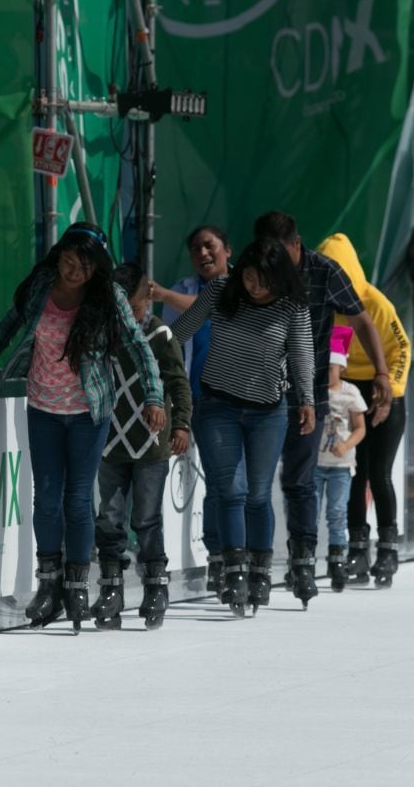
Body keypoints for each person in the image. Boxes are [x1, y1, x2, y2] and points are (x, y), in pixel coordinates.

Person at [0, 223, 164, 632]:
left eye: (83, 265)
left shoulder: (108, 297)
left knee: (78, 499)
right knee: (45, 497)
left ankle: (77, 584)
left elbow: (138, 346)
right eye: (67, 261)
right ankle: (50, 585)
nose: (73, 271)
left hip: (87, 411)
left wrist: (154, 396)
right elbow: (12, 321)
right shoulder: (42, 285)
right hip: (43, 406)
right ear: (57, 256)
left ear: (96, 269)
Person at [169, 237, 315, 615]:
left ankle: (260, 571)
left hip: (268, 410)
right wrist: (159, 372)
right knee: (230, 489)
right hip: (217, 404)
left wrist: (307, 401)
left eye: (265, 281)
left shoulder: (292, 307)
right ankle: (233, 571)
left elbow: (300, 354)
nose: (255, 288)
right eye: (250, 278)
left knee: (258, 494)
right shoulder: (221, 289)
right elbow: (180, 331)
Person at [255, 214, 393, 606]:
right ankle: (255, 562)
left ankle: (302, 561)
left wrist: (381, 371)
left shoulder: (323, 270)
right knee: (255, 482)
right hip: (258, 389)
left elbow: (361, 318)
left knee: (300, 480)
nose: (273, 264)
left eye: (280, 255)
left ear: (297, 245)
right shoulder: (255, 268)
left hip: (310, 390)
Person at [92, 263, 192, 630]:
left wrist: (181, 423)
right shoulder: (102, 334)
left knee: (146, 519)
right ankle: (111, 589)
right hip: (110, 442)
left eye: (132, 306)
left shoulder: (158, 333)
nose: (127, 314)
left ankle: (155, 587)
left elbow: (178, 383)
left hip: (151, 443)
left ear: (146, 299)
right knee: (109, 519)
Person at [318, 234, 411, 588]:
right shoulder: (323, 303)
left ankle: (388, 548)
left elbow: (402, 348)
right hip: (344, 390)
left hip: (382, 387)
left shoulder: (376, 303)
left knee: (380, 473)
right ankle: (358, 547)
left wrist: (392, 391)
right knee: (353, 473)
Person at [151, 225, 233, 598]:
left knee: (227, 482)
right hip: (193, 397)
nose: (203, 253)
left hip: (236, 399)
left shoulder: (244, 289)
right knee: (209, 481)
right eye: (195, 248)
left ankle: (232, 555)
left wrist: (163, 292)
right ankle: (217, 555)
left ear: (227, 250)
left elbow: (210, 307)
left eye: (209, 245)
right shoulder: (184, 290)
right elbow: (176, 333)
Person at [314, 325, 368, 592]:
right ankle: (302, 561)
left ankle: (337, 561)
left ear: (341, 368)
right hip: (314, 465)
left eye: (331, 368)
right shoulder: (312, 392)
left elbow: (360, 427)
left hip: (340, 466)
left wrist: (345, 444)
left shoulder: (350, 393)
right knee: (309, 514)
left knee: (336, 513)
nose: (327, 374)